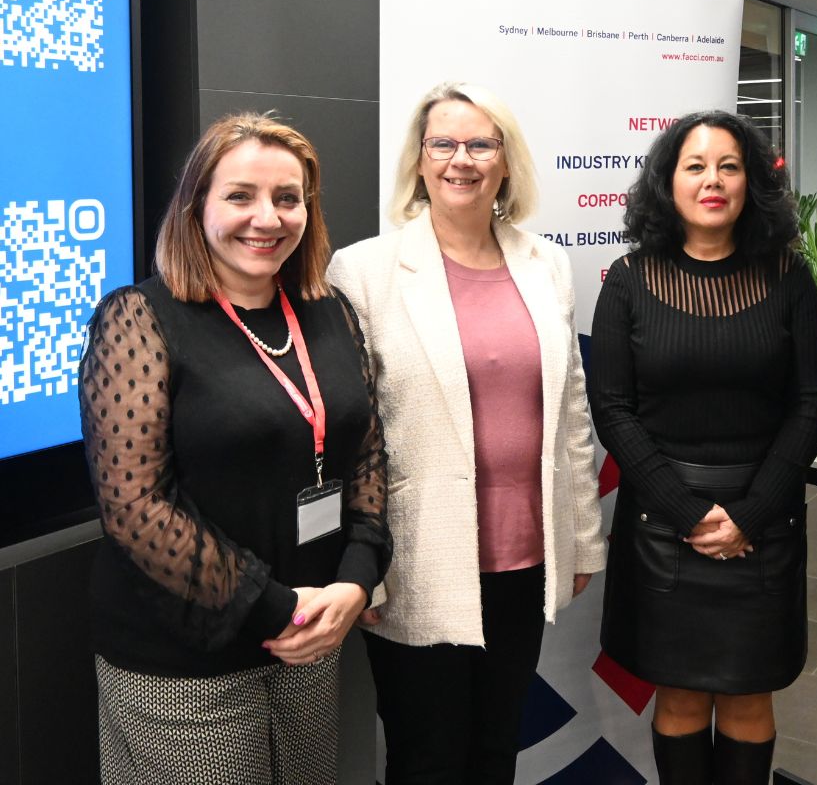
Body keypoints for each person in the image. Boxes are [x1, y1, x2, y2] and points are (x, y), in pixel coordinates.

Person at [79, 113, 393, 784]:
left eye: (288, 198)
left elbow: (366, 452)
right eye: (240, 196)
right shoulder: (139, 318)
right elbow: (134, 508)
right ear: (196, 207)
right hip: (186, 661)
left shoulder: (331, 311)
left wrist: (357, 577)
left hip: (312, 635)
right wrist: (277, 607)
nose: (267, 218)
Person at [326, 82, 605, 785]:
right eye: (443, 144)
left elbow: (571, 411)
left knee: (495, 749)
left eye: (481, 144)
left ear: (506, 162)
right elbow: (346, 436)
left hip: (523, 556)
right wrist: (361, 571)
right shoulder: (364, 271)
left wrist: (581, 536)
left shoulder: (545, 263)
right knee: (427, 759)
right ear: (419, 160)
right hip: (415, 560)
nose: (462, 159)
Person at [589, 110, 817, 784]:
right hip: (663, 524)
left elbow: (810, 405)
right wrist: (689, 514)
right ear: (668, 183)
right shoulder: (629, 280)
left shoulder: (788, 277)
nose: (713, 180)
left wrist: (749, 515)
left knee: (750, 697)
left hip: (764, 520)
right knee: (681, 695)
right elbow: (613, 411)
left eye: (729, 166)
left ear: (752, 182)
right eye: (695, 166)